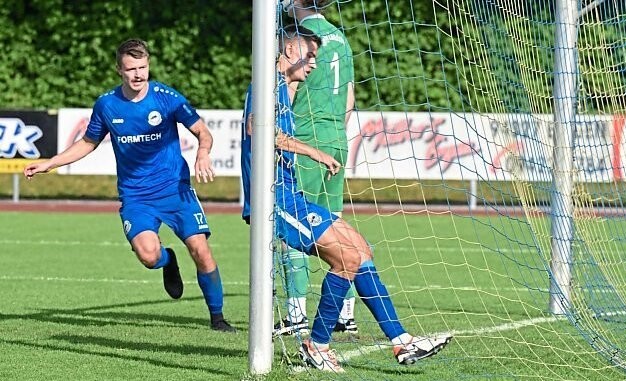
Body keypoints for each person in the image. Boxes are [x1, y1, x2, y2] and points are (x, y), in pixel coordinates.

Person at [241, 25, 452, 373]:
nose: (313, 65)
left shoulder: (284, 89)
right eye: (309, 58)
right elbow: (258, 130)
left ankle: (401, 342)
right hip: (274, 203)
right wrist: (316, 153)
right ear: (290, 53)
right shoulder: (267, 87)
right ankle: (318, 343)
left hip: (291, 195)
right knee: (347, 258)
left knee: (361, 250)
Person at [24, 38, 235, 333]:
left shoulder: (166, 98)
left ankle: (217, 318)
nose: (138, 74)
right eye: (131, 69)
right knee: (149, 256)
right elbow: (87, 142)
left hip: (176, 190)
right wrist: (50, 163)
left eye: (143, 67)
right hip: (136, 197)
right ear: (119, 70)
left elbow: (202, 131)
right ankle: (167, 260)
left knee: (201, 250)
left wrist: (202, 152)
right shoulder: (107, 104)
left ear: (148, 65)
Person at [273, 0, 359, 337]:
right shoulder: (340, 38)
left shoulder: (300, 38)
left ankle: (295, 315)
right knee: (335, 227)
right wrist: (333, 132)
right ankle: (345, 314)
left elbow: (289, 90)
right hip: (337, 136)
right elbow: (349, 99)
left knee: (293, 225)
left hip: (307, 137)